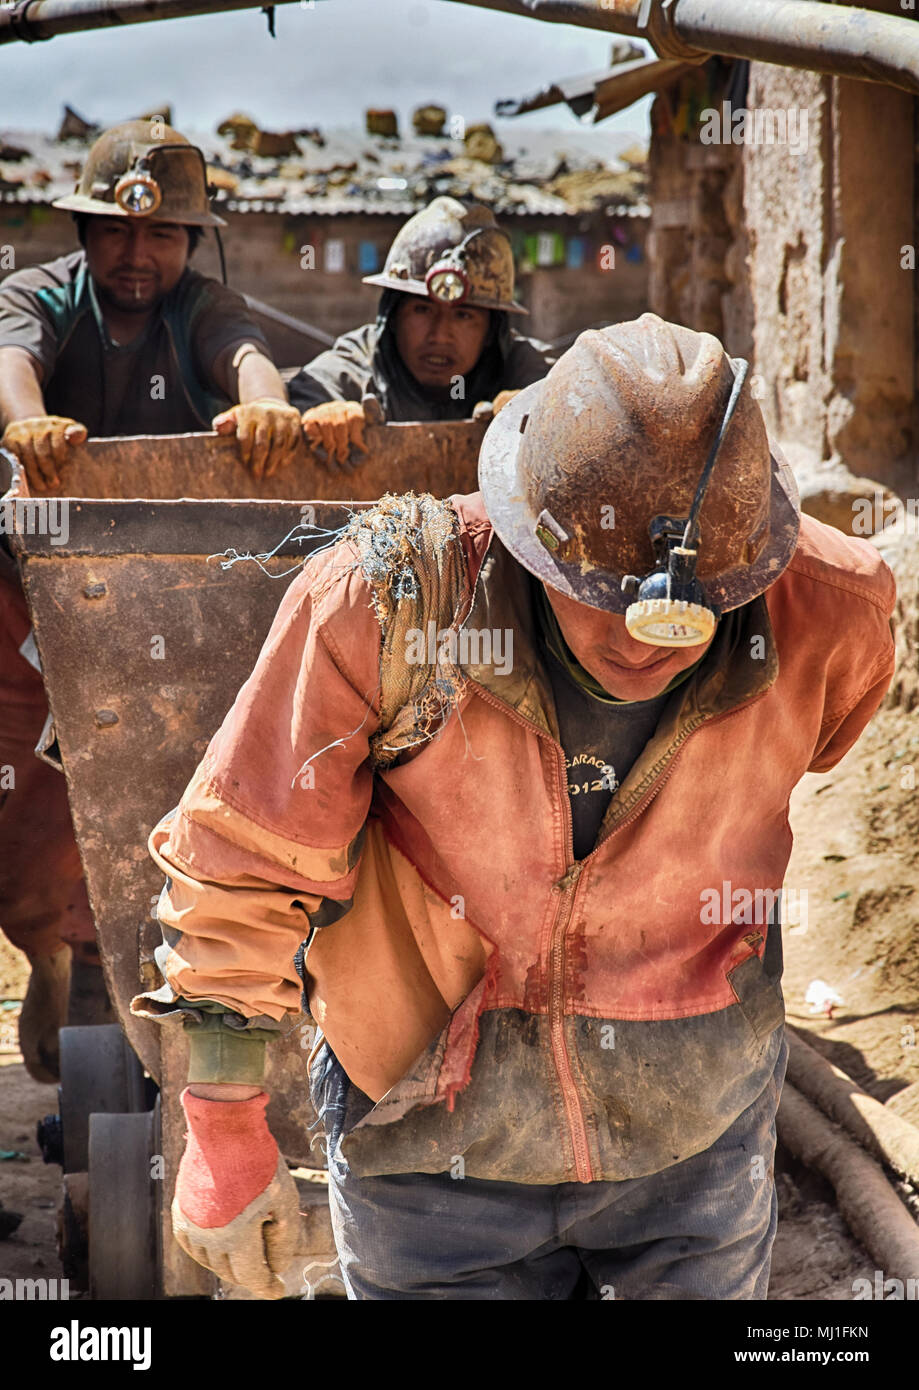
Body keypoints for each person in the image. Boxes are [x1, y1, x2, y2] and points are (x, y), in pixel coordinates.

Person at [133, 315, 896, 1300]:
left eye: (685, 608)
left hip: (692, 1150)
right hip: (430, 1158)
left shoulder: (829, 615)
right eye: (601, 592)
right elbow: (247, 855)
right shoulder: (388, 605)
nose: (641, 635)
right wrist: (228, 1125)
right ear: (530, 537)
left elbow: (822, 738)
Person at [0, 120, 302, 1081]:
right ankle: (50, 949)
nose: (139, 254)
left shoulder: (205, 308)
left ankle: (114, 957)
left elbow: (246, 354)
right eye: (119, 234)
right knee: (28, 810)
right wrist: (29, 424)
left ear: (189, 244)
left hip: (161, 610)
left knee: (178, 780)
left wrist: (267, 407)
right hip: (28, 602)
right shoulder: (38, 294)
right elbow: (13, 361)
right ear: (86, 234)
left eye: (163, 236)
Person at [287, 196, 555, 468]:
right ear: (392, 317)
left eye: (463, 315)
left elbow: (579, 401)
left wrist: (539, 405)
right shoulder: (359, 363)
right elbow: (301, 401)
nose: (439, 335)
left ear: (491, 332)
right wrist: (321, 417)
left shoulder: (524, 364)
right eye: (422, 311)